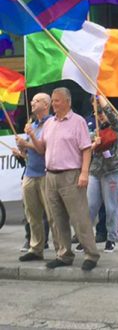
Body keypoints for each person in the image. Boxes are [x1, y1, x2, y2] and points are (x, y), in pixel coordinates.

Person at [23, 87, 101, 271]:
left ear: (67, 101)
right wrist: (32, 136)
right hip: (50, 175)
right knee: (58, 219)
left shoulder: (78, 121)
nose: (54, 104)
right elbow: (42, 149)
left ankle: (91, 254)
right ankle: (64, 254)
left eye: (57, 100)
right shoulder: (49, 123)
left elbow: (86, 149)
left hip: (70, 175)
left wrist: (84, 173)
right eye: (52, 100)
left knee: (79, 217)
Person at [13, 93, 51, 261]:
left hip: (45, 173)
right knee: (32, 214)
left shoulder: (51, 124)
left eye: (36, 101)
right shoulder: (33, 125)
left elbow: (44, 148)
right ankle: (36, 248)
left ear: (46, 104)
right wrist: (21, 149)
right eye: (32, 100)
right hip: (29, 173)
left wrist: (27, 143)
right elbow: (29, 152)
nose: (32, 103)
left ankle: (61, 250)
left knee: (51, 215)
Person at [87, 96, 118, 253]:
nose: (100, 115)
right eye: (97, 113)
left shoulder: (116, 126)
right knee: (90, 205)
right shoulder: (95, 130)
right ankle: (86, 237)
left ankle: (111, 238)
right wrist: (93, 144)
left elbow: (109, 112)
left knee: (111, 206)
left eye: (102, 112)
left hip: (111, 170)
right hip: (95, 171)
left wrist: (99, 97)